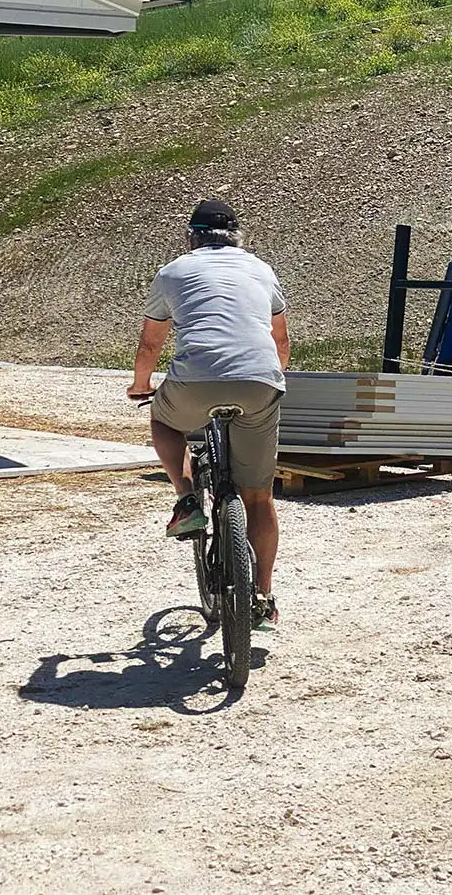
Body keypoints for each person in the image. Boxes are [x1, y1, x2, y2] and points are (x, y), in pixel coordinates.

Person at [127, 198, 289, 629]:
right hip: (259, 381)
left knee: (164, 420)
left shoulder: (173, 272)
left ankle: (186, 498)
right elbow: (280, 340)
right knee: (259, 497)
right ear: (238, 237)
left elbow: (151, 343)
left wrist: (141, 385)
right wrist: (265, 380)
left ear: (191, 237)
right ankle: (263, 597)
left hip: (195, 381)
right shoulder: (262, 270)